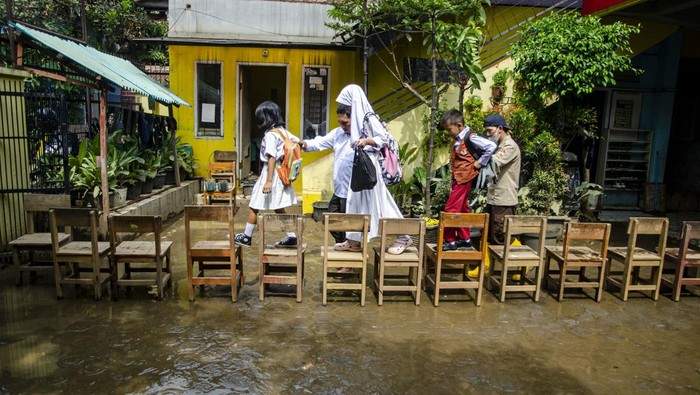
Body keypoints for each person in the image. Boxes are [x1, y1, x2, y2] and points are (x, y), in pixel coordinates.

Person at [334, 84, 410, 255]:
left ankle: (404, 236)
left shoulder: (369, 117)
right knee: (355, 202)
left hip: (370, 165)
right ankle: (353, 240)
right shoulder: (359, 119)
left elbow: (384, 138)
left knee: (381, 203)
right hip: (361, 165)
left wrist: (365, 141)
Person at [235, 101, 299, 247]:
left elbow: (271, 157)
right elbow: (298, 142)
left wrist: (268, 181)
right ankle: (291, 236)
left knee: (254, 204)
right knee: (278, 206)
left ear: (266, 117)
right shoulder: (283, 131)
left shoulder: (270, 135)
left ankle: (246, 236)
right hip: (281, 173)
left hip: (270, 173)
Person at [439, 109, 496, 251]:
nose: (448, 132)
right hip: (459, 177)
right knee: (462, 208)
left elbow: (491, 146)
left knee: (451, 208)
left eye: (449, 129)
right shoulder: (459, 139)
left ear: (459, 125)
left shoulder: (470, 137)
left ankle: (450, 240)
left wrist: (480, 162)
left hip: (464, 178)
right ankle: (465, 239)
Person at [300, 103, 354, 245]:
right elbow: (320, 143)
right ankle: (342, 245)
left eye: (345, 122)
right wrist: (304, 144)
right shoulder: (338, 133)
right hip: (339, 189)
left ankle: (347, 258)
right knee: (331, 221)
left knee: (350, 226)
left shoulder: (362, 136)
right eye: (340, 121)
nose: (342, 125)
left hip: (353, 191)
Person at [484, 113, 521, 245]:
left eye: (490, 131)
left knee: (500, 239)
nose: (488, 134)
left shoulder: (510, 146)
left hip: (504, 201)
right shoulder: (497, 146)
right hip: (493, 198)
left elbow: (493, 162)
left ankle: (522, 260)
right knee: (490, 237)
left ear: (500, 128)